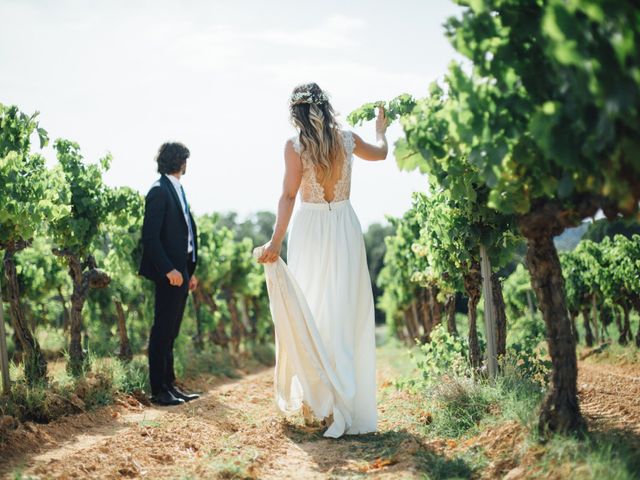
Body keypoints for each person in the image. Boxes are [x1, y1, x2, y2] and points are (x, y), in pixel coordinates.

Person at [258, 82, 388, 437]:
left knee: (312, 309)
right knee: (343, 311)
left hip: (310, 228)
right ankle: (342, 399)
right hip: (344, 225)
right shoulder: (348, 139)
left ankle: (319, 402)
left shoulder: (294, 145)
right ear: (326, 106)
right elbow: (381, 153)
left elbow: (288, 195)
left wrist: (275, 241)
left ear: (296, 112)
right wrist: (381, 131)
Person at [139, 142, 201, 406]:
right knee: (162, 331)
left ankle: (170, 386)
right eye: (186, 159)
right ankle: (159, 390)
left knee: (171, 332)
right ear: (180, 162)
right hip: (169, 274)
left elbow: (184, 232)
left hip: (181, 272)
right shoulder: (158, 191)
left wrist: (188, 271)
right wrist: (169, 270)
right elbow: (150, 239)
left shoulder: (177, 188)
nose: (187, 164)